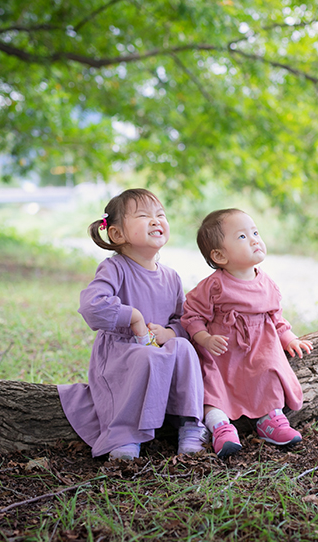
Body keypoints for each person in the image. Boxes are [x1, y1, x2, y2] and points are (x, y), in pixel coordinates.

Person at [58, 189, 206, 460]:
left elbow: (183, 319)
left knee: (183, 347)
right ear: (117, 234)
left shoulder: (171, 277)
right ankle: (123, 435)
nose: (155, 220)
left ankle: (189, 426)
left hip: (156, 350)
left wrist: (170, 332)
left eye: (160, 215)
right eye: (143, 216)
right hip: (121, 355)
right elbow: (92, 305)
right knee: (145, 353)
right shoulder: (115, 269)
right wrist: (133, 317)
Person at [181, 208, 312, 457]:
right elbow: (192, 315)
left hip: (259, 349)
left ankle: (270, 420)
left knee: (270, 373)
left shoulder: (267, 283)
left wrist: (289, 338)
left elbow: (276, 318)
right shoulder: (214, 285)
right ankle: (220, 427)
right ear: (219, 255)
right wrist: (204, 338)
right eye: (242, 237)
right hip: (222, 353)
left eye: (255, 232)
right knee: (212, 386)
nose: (254, 239)